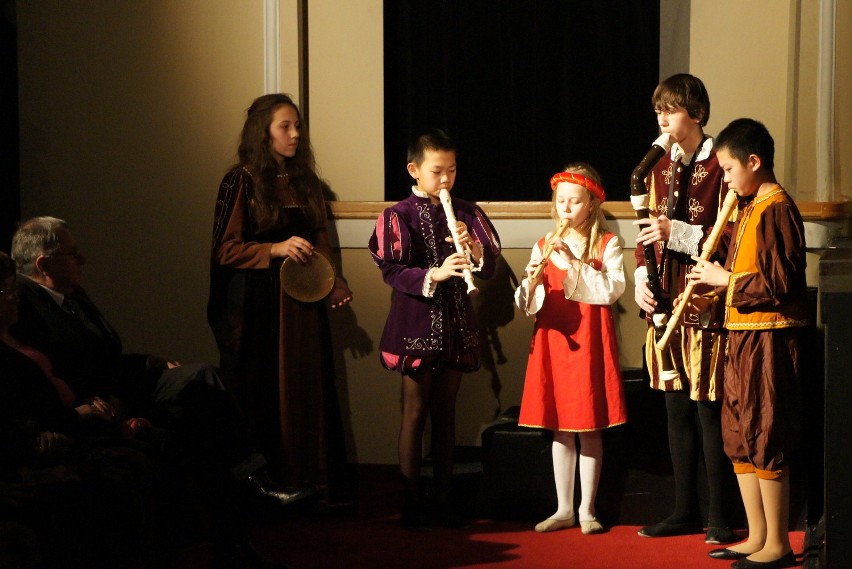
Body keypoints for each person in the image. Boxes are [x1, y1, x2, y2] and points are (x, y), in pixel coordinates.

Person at [10, 217, 301, 568]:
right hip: (98, 402)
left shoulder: (70, 294)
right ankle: (252, 487)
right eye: (73, 254)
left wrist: (150, 361)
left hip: (121, 385)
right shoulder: (24, 304)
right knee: (201, 403)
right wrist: (115, 397)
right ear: (43, 264)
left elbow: (107, 355)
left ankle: (242, 513)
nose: (83, 260)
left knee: (203, 397)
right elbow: (64, 371)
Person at [208, 93, 354, 508]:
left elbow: (322, 241)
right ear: (263, 132)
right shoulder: (242, 180)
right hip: (262, 309)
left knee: (308, 388)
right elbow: (226, 249)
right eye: (284, 127)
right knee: (268, 391)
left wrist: (336, 281)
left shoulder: (307, 183)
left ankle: (315, 481)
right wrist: (275, 248)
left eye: (297, 126)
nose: (295, 134)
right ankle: (268, 487)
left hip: (304, 306)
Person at [368, 129, 501, 530]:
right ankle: (410, 503)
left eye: (452, 171)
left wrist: (475, 252)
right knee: (414, 412)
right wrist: (436, 273)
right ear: (415, 169)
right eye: (437, 171)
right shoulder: (398, 214)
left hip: (457, 323)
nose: (446, 180)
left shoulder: (467, 212)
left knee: (446, 412)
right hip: (416, 323)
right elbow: (391, 268)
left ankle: (443, 497)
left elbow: (490, 264)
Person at [687, 118, 805, 569]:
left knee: (765, 430)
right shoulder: (748, 205)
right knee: (738, 433)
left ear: (754, 162)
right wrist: (711, 294)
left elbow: (780, 281)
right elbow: (743, 277)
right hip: (742, 335)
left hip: (769, 339)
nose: (727, 179)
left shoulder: (776, 206)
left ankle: (778, 542)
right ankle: (757, 535)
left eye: (730, 169)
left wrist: (725, 280)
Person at [633, 73, 738, 544]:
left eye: (670, 110)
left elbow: (730, 235)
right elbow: (643, 235)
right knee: (675, 409)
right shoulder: (656, 166)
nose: (662, 118)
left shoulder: (721, 163)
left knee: (707, 409)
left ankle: (719, 514)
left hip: (704, 300)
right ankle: (682, 510)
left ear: (695, 114)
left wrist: (674, 232)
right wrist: (641, 279)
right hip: (664, 299)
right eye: (658, 110)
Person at [515, 163, 627, 535]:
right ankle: (563, 508)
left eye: (574, 202)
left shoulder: (608, 243)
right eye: (560, 201)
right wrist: (530, 281)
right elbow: (530, 301)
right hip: (555, 339)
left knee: (588, 425)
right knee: (561, 428)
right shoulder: (545, 243)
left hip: (589, 341)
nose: (565, 208)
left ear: (591, 204)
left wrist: (573, 265)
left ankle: (587, 510)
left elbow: (612, 291)